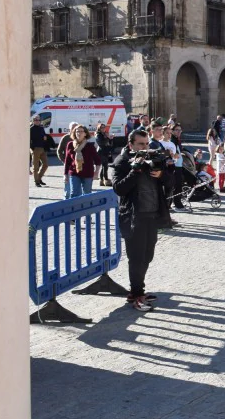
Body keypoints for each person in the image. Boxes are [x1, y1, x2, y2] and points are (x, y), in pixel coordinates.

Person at [112, 129, 170, 311]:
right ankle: (137, 293)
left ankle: (138, 291)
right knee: (136, 257)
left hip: (152, 214)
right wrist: (134, 171)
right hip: (133, 216)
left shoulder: (153, 160)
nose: (145, 148)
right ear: (131, 145)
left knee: (147, 255)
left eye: (146, 144)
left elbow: (170, 183)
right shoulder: (122, 162)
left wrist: (162, 175)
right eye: (140, 144)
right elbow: (118, 189)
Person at [63, 124, 101, 198]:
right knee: (74, 194)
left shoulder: (89, 146)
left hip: (87, 173)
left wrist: (96, 172)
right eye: (77, 131)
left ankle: (87, 209)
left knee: (87, 194)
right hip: (74, 173)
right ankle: (75, 209)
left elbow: (98, 161)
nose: (79, 133)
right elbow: (67, 161)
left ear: (85, 133)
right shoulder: (70, 145)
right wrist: (65, 175)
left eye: (81, 131)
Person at [29, 115, 52, 187]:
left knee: (45, 165)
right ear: (33, 121)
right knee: (36, 167)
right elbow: (28, 139)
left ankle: (39, 178)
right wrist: (32, 148)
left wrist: (45, 138)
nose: (37, 121)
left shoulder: (41, 128)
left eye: (39, 120)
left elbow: (44, 136)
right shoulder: (31, 129)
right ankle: (37, 182)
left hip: (42, 148)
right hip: (35, 149)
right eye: (36, 120)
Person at [95, 123, 113, 187]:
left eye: (104, 127)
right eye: (101, 127)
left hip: (105, 151)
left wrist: (110, 138)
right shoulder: (98, 135)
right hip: (101, 152)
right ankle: (105, 180)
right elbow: (102, 143)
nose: (103, 129)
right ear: (99, 128)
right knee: (104, 166)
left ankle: (102, 180)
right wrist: (108, 137)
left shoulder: (104, 134)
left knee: (105, 166)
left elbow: (110, 143)